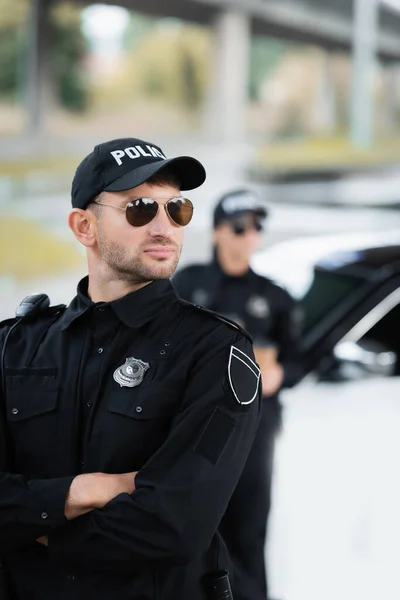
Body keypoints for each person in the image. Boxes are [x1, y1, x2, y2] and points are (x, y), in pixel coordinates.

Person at [0, 138, 262, 600]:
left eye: (176, 208)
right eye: (140, 207)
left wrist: (33, 529)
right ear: (84, 226)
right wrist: (83, 490)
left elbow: (175, 523)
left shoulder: (215, 351)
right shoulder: (14, 346)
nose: (165, 227)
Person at [173, 189, 303, 600]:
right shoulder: (187, 285)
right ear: (216, 232)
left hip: (255, 428)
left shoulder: (276, 296)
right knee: (194, 527)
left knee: (249, 529)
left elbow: (299, 359)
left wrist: (281, 373)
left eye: (257, 226)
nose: (250, 235)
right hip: (196, 425)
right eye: (239, 225)